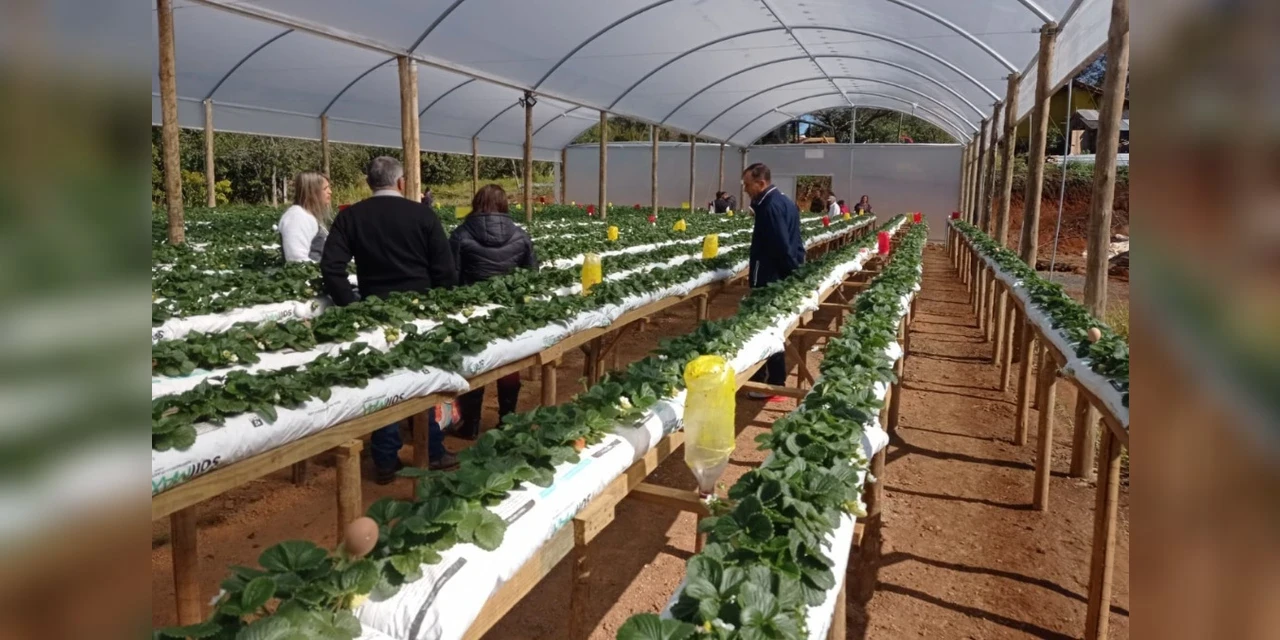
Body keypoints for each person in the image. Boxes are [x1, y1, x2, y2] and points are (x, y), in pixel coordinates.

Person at [321, 156, 459, 482]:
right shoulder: (423, 214)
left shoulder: (351, 216)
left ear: (370, 183)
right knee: (424, 376)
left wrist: (351, 307)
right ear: (401, 183)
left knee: (386, 382)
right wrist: (441, 308)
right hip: (420, 311)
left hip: (375, 313)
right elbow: (445, 270)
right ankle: (433, 450)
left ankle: (385, 458)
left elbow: (331, 267)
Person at [449, 184, 537, 439]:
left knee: (475, 362)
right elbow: (532, 276)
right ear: (505, 205)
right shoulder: (520, 235)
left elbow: (451, 276)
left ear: (476, 203)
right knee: (509, 360)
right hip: (508, 310)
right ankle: (507, 421)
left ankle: (471, 424)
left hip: (471, 310)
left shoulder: (461, 234)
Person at [742, 163, 804, 403]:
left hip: (770, 277)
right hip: (777, 274)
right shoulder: (785, 201)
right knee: (771, 325)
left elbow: (781, 246)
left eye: (748, 184)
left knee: (766, 327)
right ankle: (769, 378)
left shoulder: (769, 206)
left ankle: (773, 383)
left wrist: (792, 272)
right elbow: (795, 240)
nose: (746, 189)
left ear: (761, 183)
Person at [279, 171, 331, 262]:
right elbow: (296, 260)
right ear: (312, 191)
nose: (330, 192)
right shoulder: (297, 217)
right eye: (325, 188)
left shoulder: (308, 215)